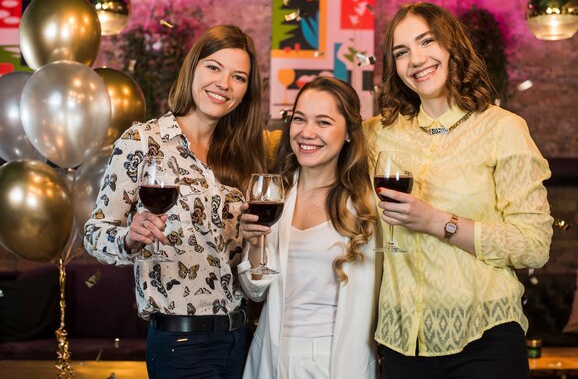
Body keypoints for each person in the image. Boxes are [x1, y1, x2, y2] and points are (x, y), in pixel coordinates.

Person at [363, 2, 553, 379]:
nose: (416, 59)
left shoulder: (502, 129)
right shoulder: (377, 134)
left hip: (485, 340)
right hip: (402, 345)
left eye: (426, 41)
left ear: (452, 47)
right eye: (402, 52)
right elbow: (313, 140)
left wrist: (437, 222)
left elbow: (534, 245)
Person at [84, 24, 266, 379]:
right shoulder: (143, 140)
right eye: (214, 67)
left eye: (238, 77)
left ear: (245, 91)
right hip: (181, 345)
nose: (224, 84)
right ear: (193, 69)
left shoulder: (243, 156)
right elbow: (93, 233)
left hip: (241, 339)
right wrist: (128, 238)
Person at [237, 76, 381, 379]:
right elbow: (255, 291)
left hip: (336, 362)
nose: (307, 132)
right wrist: (252, 244)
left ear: (349, 134)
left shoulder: (367, 206)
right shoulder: (275, 196)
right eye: (299, 119)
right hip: (271, 357)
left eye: (323, 122)